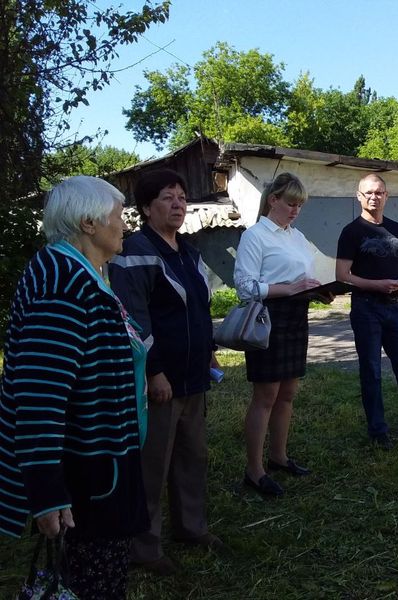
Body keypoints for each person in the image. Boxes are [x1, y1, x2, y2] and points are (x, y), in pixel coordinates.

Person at [0, 176, 148, 599]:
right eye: (118, 217)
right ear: (89, 223)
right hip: (88, 474)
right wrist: (47, 494)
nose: (124, 225)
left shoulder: (80, 273)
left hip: (102, 463)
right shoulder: (63, 285)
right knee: (92, 583)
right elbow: (39, 397)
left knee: (95, 577)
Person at [109, 169, 222, 576]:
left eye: (181, 196)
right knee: (152, 465)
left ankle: (192, 528)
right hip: (161, 382)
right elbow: (133, 321)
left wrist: (209, 351)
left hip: (193, 376)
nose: (178, 204)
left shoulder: (189, 252)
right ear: (145, 207)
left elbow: (200, 308)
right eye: (167, 197)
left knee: (193, 456)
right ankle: (144, 547)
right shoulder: (133, 252)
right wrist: (154, 372)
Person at [233, 173, 330, 499]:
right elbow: (245, 288)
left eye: (300, 205)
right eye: (290, 203)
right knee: (266, 396)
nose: (295, 210)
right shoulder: (254, 236)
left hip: (296, 316)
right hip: (267, 318)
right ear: (273, 199)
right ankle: (254, 470)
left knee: (288, 393)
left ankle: (278, 456)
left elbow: (306, 275)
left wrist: (319, 290)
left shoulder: (297, 237)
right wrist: (289, 288)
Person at [335, 173, 398, 449]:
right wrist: (375, 285)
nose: (374, 197)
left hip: (394, 308)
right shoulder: (351, 232)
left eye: (379, 192)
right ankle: (378, 430)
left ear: (387, 196)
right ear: (359, 196)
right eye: (368, 192)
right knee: (371, 371)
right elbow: (343, 275)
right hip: (365, 308)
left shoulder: (397, 228)